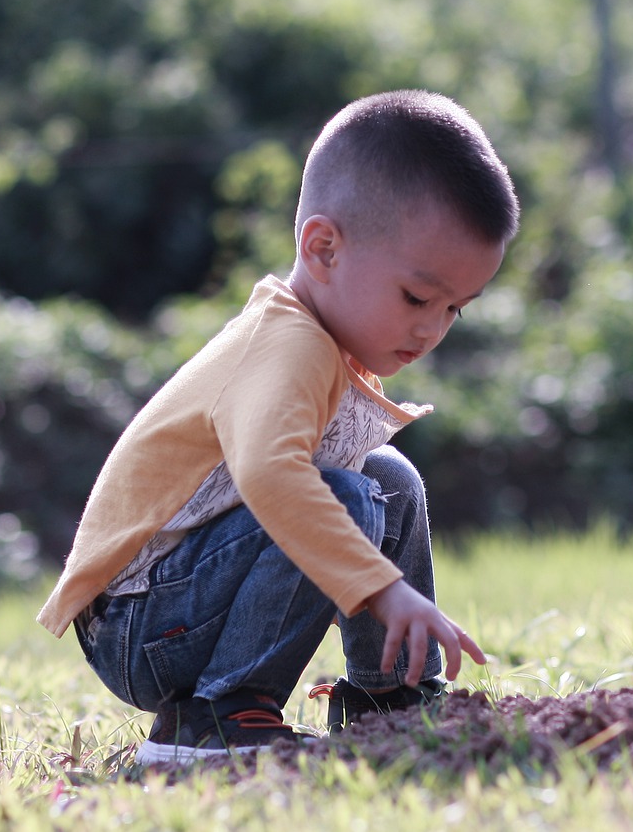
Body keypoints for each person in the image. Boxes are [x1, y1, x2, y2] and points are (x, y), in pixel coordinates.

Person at [36, 90, 519, 765]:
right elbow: (271, 476)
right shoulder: (287, 345)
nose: (430, 328)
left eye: (453, 310)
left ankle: (388, 698)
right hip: (137, 623)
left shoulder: (320, 339)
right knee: (348, 497)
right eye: (416, 296)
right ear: (322, 248)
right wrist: (383, 587)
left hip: (175, 602)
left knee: (389, 478)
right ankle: (210, 718)